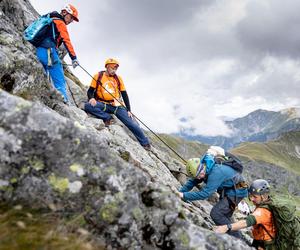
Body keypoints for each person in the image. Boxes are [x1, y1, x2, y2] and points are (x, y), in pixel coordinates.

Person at [172, 146, 248, 239]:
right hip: (228, 188)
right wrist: (179, 192)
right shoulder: (203, 165)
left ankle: (238, 241)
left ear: (202, 168)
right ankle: (233, 235)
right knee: (224, 214)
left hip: (238, 191)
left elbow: (205, 194)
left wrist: (183, 195)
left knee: (216, 214)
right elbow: (192, 181)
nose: (200, 177)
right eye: (197, 176)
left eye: (200, 175)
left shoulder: (216, 172)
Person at [84, 58, 151, 150]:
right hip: (103, 104)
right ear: (107, 67)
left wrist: (128, 110)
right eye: (112, 68)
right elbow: (90, 91)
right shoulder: (98, 76)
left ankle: (145, 143)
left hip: (117, 106)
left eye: (116, 68)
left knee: (133, 124)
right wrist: (91, 98)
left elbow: (124, 94)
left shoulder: (118, 79)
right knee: (88, 106)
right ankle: (107, 118)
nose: (114, 70)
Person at [36, 4, 80, 103]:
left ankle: (40, 99)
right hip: (49, 51)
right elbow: (66, 41)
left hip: (39, 50)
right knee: (59, 79)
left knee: (43, 76)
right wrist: (74, 58)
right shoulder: (60, 22)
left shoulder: (49, 17)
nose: (71, 20)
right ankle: (64, 103)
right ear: (64, 12)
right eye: (71, 17)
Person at [214, 179, 276, 249]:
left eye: (255, 197)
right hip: (259, 241)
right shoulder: (266, 204)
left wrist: (226, 227)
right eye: (251, 196)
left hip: (264, 246)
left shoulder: (263, 211)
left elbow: (246, 222)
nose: (252, 199)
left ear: (263, 197)